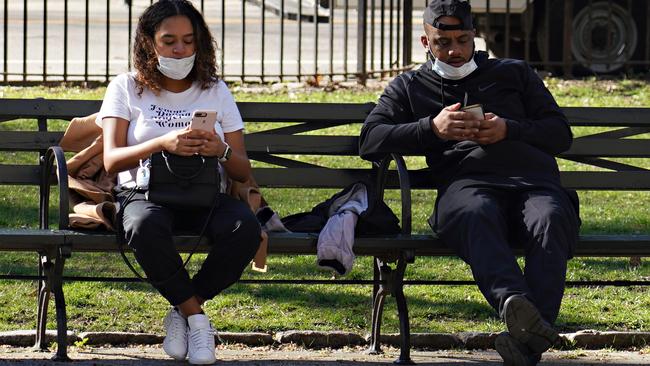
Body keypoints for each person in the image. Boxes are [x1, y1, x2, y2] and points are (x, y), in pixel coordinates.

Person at [358, 1, 580, 365]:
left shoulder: (514, 72)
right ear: (425, 42)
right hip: (467, 186)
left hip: (533, 182)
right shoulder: (412, 85)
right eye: (443, 41)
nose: (455, 51)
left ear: (474, 36)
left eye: (463, 39)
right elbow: (371, 139)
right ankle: (514, 304)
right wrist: (431, 128)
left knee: (551, 217)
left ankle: (524, 339)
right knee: (475, 212)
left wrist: (510, 128)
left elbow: (560, 134)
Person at [99, 1, 261, 364]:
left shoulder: (215, 90)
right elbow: (111, 160)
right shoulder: (127, 87)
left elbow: (241, 171)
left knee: (245, 228)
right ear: (148, 44)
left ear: (199, 43)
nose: (180, 50)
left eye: (188, 41)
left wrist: (219, 149)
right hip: (145, 194)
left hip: (205, 196)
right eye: (169, 40)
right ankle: (198, 321)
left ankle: (183, 308)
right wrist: (162, 143)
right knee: (144, 225)